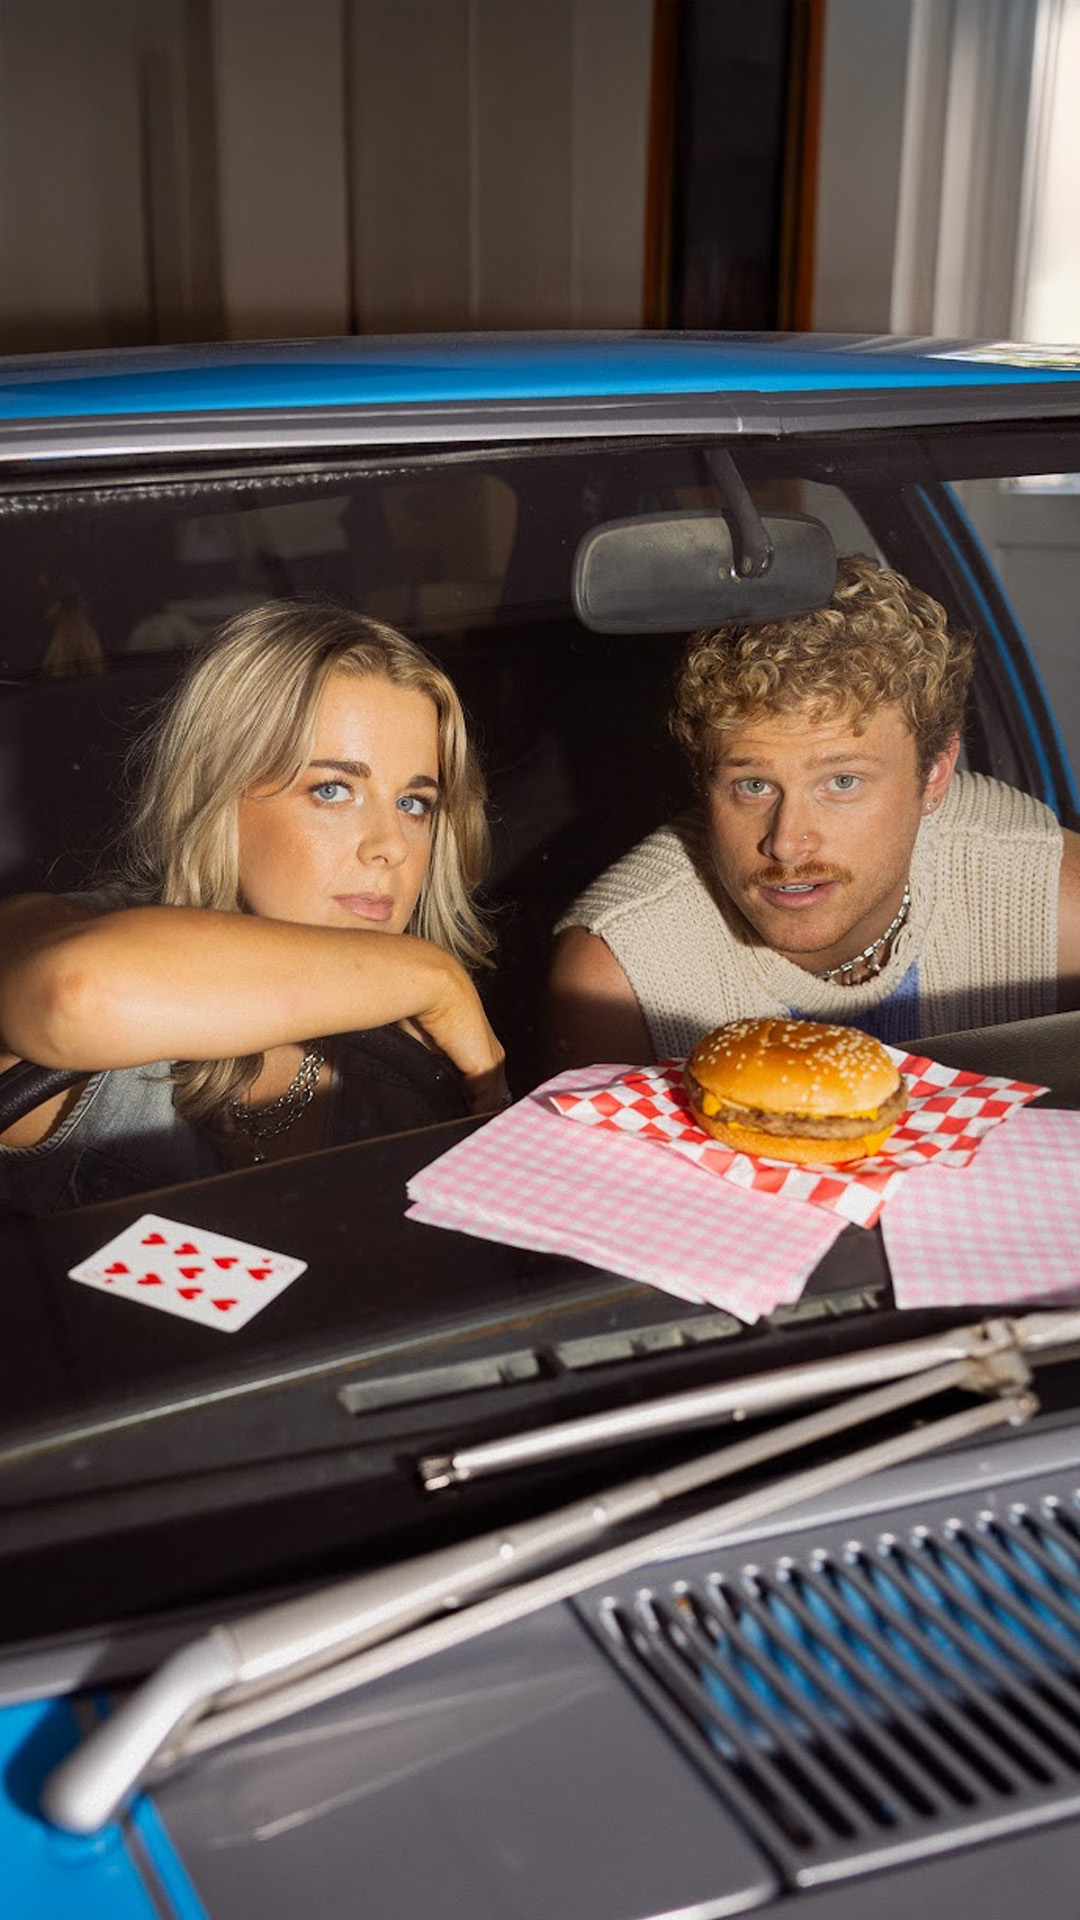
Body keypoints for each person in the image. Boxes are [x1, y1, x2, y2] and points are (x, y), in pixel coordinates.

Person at [0, 601, 506, 1213]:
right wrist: (431, 977)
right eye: (332, 790)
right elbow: (76, 994)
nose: (392, 846)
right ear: (217, 793)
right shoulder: (54, 929)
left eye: (415, 804)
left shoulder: (412, 1068)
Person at [549, 555, 1080, 1067]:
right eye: (753, 785)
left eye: (841, 782)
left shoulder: (1052, 900)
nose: (786, 842)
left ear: (935, 775)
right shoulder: (621, 977)